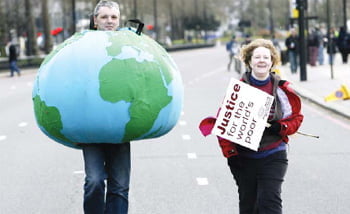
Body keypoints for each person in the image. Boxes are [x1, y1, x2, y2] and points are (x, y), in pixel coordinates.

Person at [199, 38, 304, 214]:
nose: (261, 60)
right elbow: (223, 125)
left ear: (272, 62)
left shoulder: (282, 89)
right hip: (244, 157)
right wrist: (231, 154)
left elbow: (296, 118)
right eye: (257, 57)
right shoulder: (238, 90)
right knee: (249, 206)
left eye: (266, 57)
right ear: (249, 61)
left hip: (274, 153)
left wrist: (280, 128)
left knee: (270, 203)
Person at [82, 1, 131, 214]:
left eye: (113, 17)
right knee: (94, 181)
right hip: (91, 128)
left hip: (119, 127)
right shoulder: (80, 47)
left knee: (119, 187)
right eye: (104, 17)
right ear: (95, 21)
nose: (109, 21)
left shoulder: (129, 47)